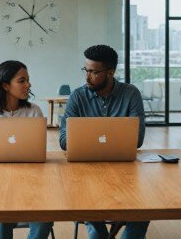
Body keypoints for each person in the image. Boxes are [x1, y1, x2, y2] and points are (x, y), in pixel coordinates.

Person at [59, 44, 148, 239]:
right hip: (86, 170)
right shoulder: (77, 96)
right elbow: (64, 140)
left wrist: (86, 137)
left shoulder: (130, 93)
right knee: (88, 201)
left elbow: (137, 139)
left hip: (126, 169)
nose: (87, 76)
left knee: (144, 207)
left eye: (93, 72)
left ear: (110, 72)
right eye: (86, 70)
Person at [0, 60, 54, 239]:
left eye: (28, 80)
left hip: (32, 182)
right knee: (1, 216)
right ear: (6, 85)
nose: (28, 85)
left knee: (44, 218)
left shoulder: (34, 111)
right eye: (22, 81)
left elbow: (38, 150)